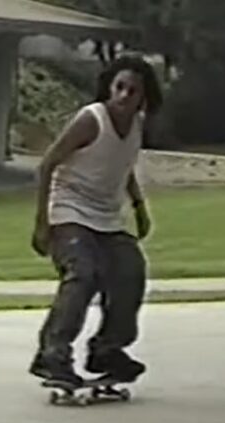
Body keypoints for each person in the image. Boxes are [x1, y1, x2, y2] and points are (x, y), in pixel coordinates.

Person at [28, 55, 164, 386]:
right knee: (83, 274)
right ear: (109, 87)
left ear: (143, 97)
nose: (123, 96)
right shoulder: (91, 120)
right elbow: (47, 165)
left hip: (107, 217)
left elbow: (123, 163)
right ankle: (52, 354)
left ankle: (107, 349)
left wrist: (139, 206)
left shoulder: (136, 125)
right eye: (119, 87)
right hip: (69, 210)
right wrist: (42, 223)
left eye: (132, 91)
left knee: (131, 271)